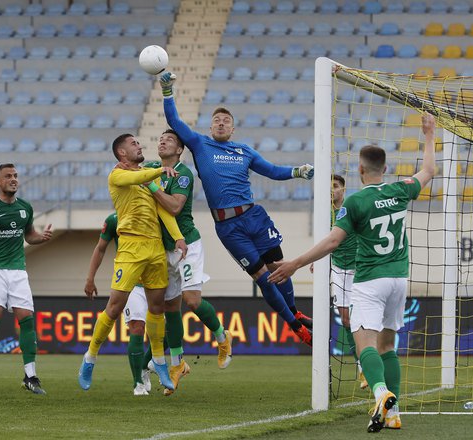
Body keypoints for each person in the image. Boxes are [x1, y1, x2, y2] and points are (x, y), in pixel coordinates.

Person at [269, 114, 437, 432]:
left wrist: (294, 263)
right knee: (389, 346)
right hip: (399, 279)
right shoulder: (402, 189)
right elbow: (429, 170)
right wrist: (428, 134)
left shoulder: (355, 201)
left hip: (368, 281)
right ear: (385, 169)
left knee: (366, 346)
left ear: (360, 170)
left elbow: (333, 241)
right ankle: (394, 412)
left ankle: (379, 392)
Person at [160, 72, 313, 346]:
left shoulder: (244, 151)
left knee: (278, 267)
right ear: (210, 129)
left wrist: (298, 172)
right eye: (216, 120)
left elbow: (273, 171)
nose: (221, 123)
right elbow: (174, 121)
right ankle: (294, 324)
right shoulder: (199, 144)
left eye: (226, 121)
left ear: (233, 129)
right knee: (263, 279)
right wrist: (167, 90)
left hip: (254, 216)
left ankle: (294, 311)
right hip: (229, 227)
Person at [78, 133, 187, 394]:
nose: (140, 145)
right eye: (134, 144)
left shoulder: (149, 175)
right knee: (114, 307)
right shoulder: (118, 175)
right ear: (122, 153)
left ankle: (159, 362)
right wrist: (160, 169)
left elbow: (162, 210)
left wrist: (179, 237)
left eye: (139, 142)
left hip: (155, 248)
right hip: (130, 248)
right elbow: (137, 177)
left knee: (157, 307)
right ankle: (90, 357)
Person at [144, 129, 233, 396]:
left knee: (191, 301)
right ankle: (177, 364)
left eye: (169, 139)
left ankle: (222, 337)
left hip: (186, 244)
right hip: (163, 249)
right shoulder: (151, 167)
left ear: (180, 149)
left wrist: (151, 184)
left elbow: (173, 207)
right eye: (160, 138)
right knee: (170, 308)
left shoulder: (183, 174)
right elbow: (123, 169)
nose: (162, 141)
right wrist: (149, 175)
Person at [0, 163, 53, 395]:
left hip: (18, 271)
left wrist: (40, 237)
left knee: (26, 320)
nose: (13, 179)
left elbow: (29, 235)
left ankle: (31, 375)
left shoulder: (25, 208)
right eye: (8, 176)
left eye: (15, 175)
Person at [84, 212, 152, 396]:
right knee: (137, 327)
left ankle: (146, 365)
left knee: (168, 332)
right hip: (131, 283)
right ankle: (137, 382)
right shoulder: (114, 219)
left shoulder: (155, 212)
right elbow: (100, 248)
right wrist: (90, 278)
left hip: (156, 280)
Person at [310, 175, 367, 389]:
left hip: (359, 267)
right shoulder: (325, 214)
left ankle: (369, 364)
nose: (332, 190)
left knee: (362, 318)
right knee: (346, 320)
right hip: (338, 269)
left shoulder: (352, 208)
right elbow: (325, 242)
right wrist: (318, 260)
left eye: (335, 186)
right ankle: (362, 369)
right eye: (329, 186)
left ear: (343, 189)